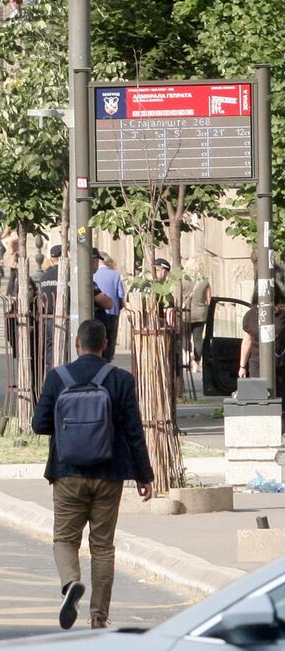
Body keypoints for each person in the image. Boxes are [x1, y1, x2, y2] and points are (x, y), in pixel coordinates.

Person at [33, 319, 155, 630]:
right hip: (109, 474)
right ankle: (99, 616)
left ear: (77, 343)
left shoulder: (58, 378)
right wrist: (144, 475)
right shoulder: (121, 380)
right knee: (102, 546)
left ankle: (70, 583)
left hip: (67, 472)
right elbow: (133, 432)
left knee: (65, 538)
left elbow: (39, 424)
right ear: (105, 345)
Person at [178, 260, 211, 372]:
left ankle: (186, 358)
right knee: (198, 339)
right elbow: (209, 299)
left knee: (185, 337)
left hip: (185, 313)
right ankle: (197, 362)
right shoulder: (205, 281)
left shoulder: (183, 280)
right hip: (201, 314)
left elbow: (178, 296)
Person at [92, 251, 126, 361]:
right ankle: (108, 358)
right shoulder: (115, 274)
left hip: (95, 316)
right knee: (110, 340)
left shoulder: (93, 276)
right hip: (112, 314)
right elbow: (121, 295)